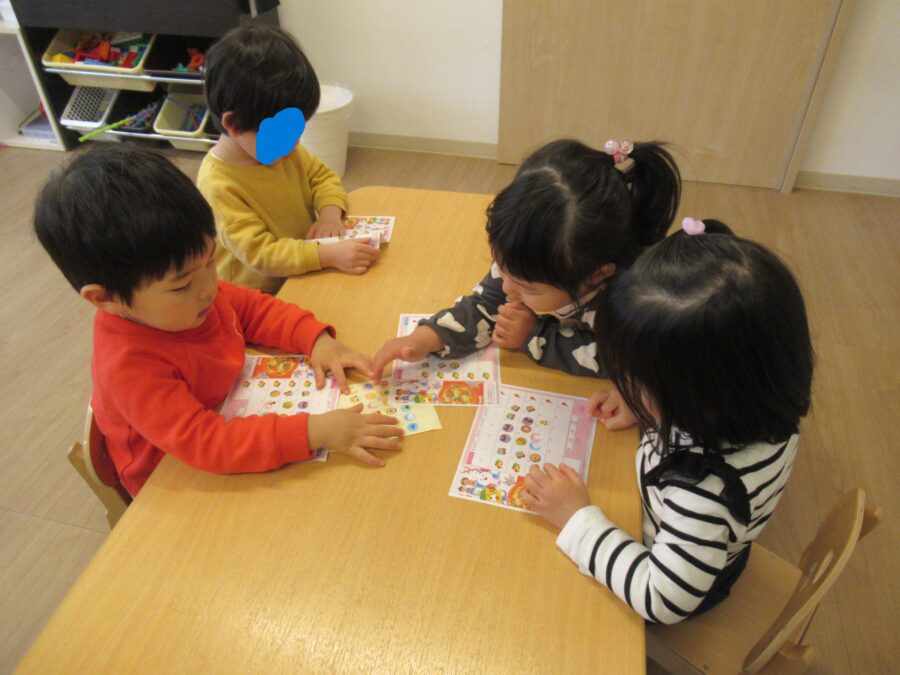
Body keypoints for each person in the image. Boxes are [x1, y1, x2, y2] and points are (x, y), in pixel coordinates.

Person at [33, 144, 402, 496]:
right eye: (181, 285)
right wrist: (313, 432)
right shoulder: (129, 367)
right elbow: (208, 444)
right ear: (105, 298)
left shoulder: (186, 295)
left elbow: (253, 309)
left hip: (227, 408)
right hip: (171, 479)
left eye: (210, 261)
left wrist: (316, 339)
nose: (209, 288)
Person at [522, 218, 814, 623]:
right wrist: (643, 406)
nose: (626, 386)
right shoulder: (760, 403)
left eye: (638, 382)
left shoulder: (703, 493)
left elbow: (661, 599)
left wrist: (576, 519)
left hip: (677, 577)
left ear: (692, 397)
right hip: (690, 538)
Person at [370, 138, 681, 392]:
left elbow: (618, 361)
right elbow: (486, 305)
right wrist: (426, 338)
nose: (506, 288)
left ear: (596, 276)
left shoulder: (631, 301)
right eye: (500, 268)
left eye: (526, 288)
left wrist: (534, 336)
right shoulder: (525, 261)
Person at [199, 24, 378, 294]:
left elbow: (323, 177)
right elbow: (262, 255)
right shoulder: (218, 186)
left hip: (302, 270)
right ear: (233, 124)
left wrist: (329, 215)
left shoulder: (283, 152)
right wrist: (326, 255)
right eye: (282, 132)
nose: (295, 143)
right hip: (260, 296)